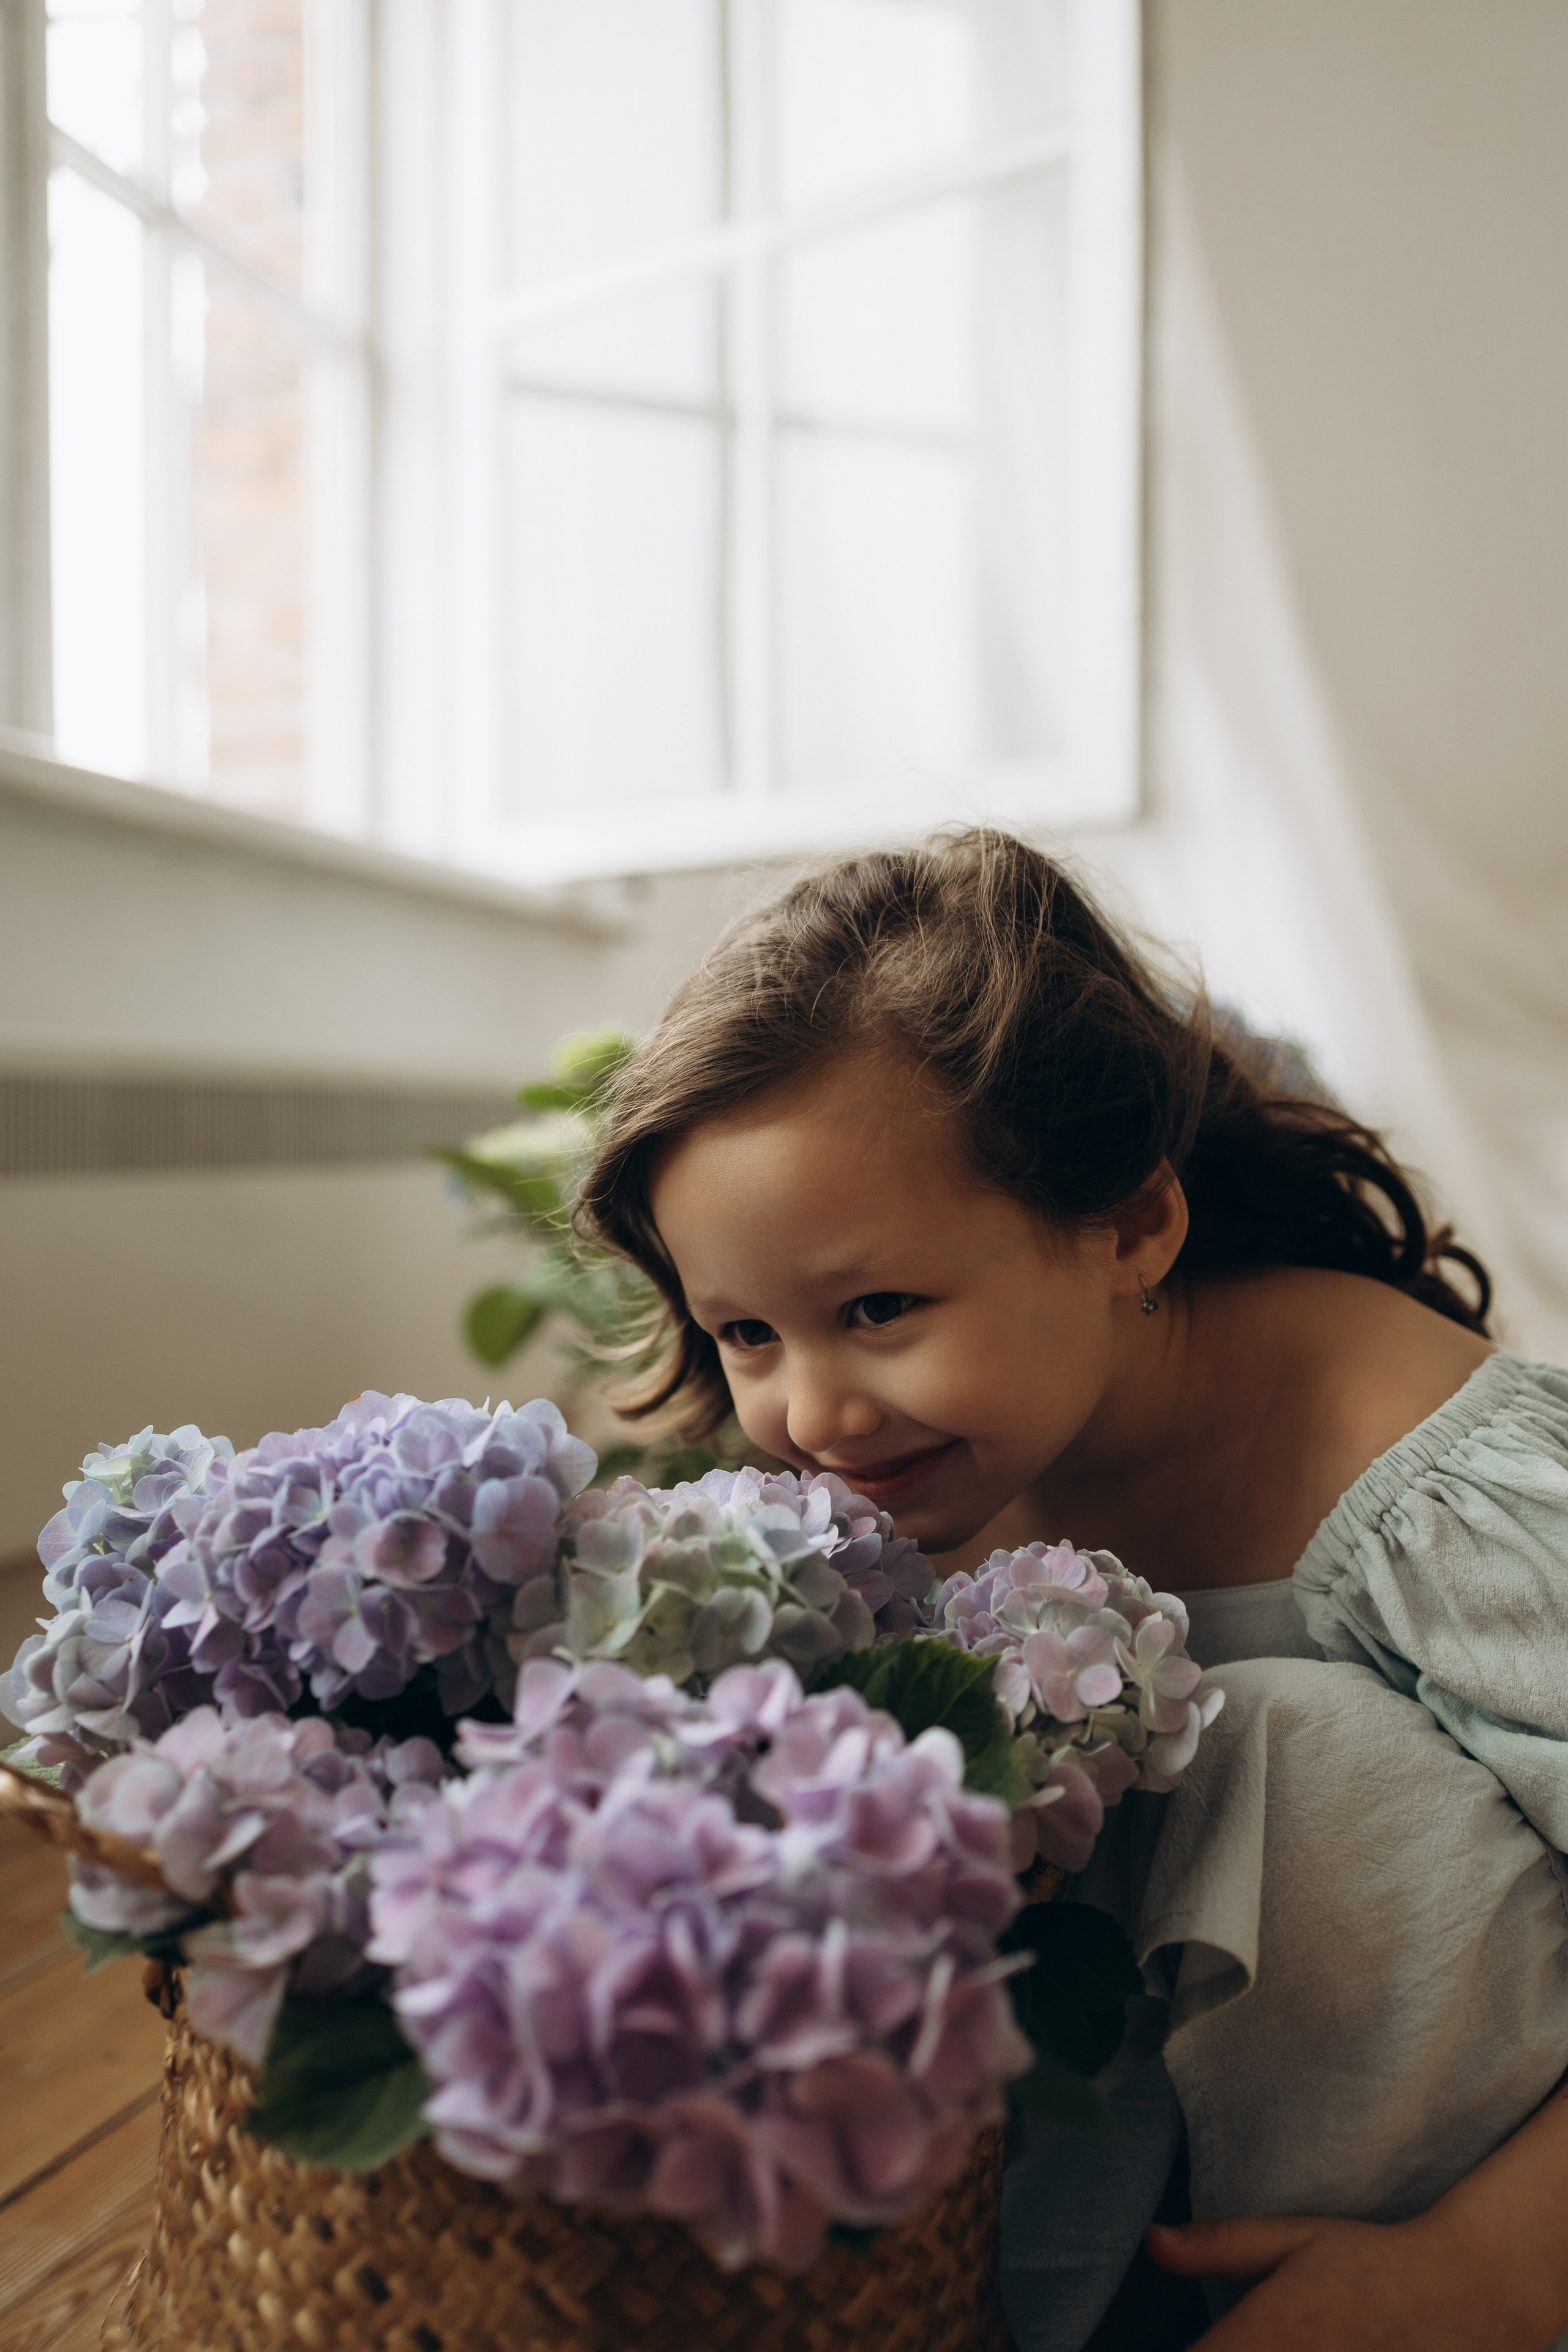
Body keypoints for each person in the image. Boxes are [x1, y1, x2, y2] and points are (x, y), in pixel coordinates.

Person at [575, 827, 1568, 2352]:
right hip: (1134, 2186)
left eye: (878, 1307)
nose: (816, 1415)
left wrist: (1470, 2275)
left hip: (1487, 2213)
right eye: (746, 1335)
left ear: (1128, 1227)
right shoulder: (891, 1480)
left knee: (1284, 1744)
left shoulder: (1422, 1474)